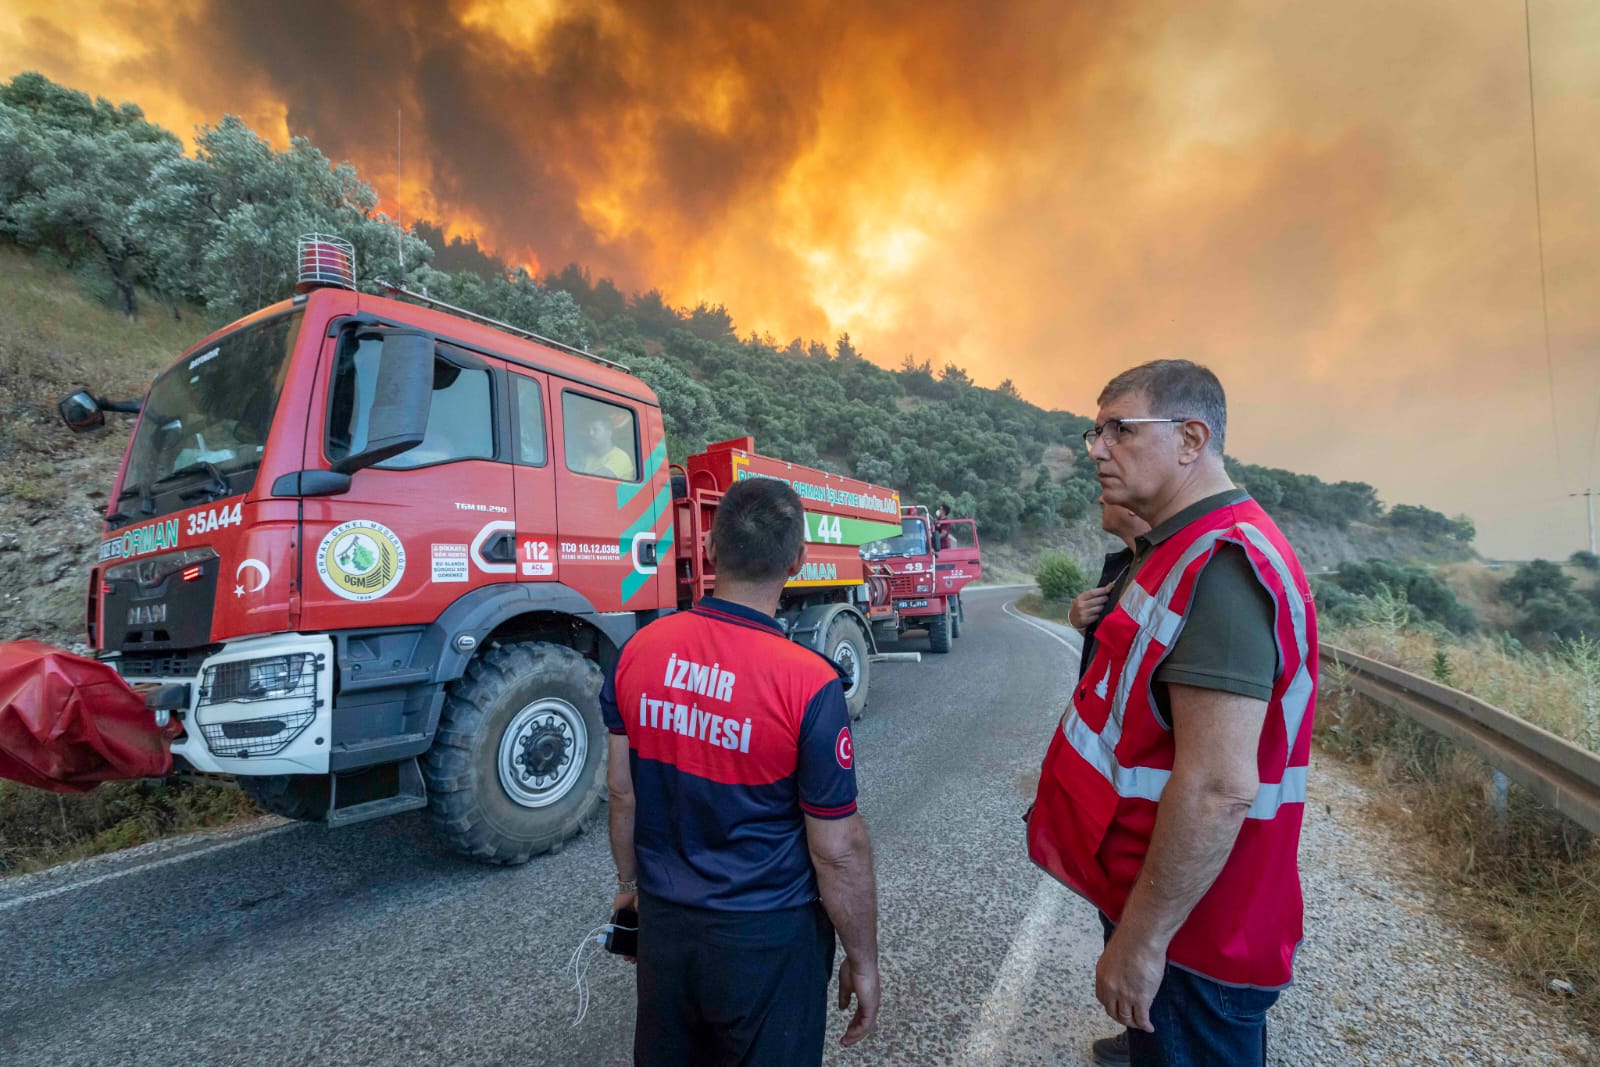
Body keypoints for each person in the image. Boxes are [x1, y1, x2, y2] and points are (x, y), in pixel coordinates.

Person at [1027, 359, 1318, 1067]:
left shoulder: (1220, 561)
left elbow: (1220, 786)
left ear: (1192, 438)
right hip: (1175, 902)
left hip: (1197, 931)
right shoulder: (1176, 547)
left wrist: (1143, 939)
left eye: (1119, 429)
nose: (1096, 449)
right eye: (1094, 431)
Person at [603, 476, 881, 1067]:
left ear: (708, 547)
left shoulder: (637, 652)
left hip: (666, 927)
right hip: (768, 940)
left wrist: (630, 892)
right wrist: (863, 959)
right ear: (799, 562)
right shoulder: (809, 680)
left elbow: (622, 794)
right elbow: (837, 849)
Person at [1068, 498, 1151, 682]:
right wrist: (1080, 622)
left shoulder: (1166, 568)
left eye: (1109, 491)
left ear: (1132, 505)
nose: (1100, 499)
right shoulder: (1122, 564)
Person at [577, 407, 636, 479]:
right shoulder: (589, 456)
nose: (590, 433)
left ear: (608, 433)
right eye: (588, 430)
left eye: (595, 430)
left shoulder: (620, 457)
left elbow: (593, 482)